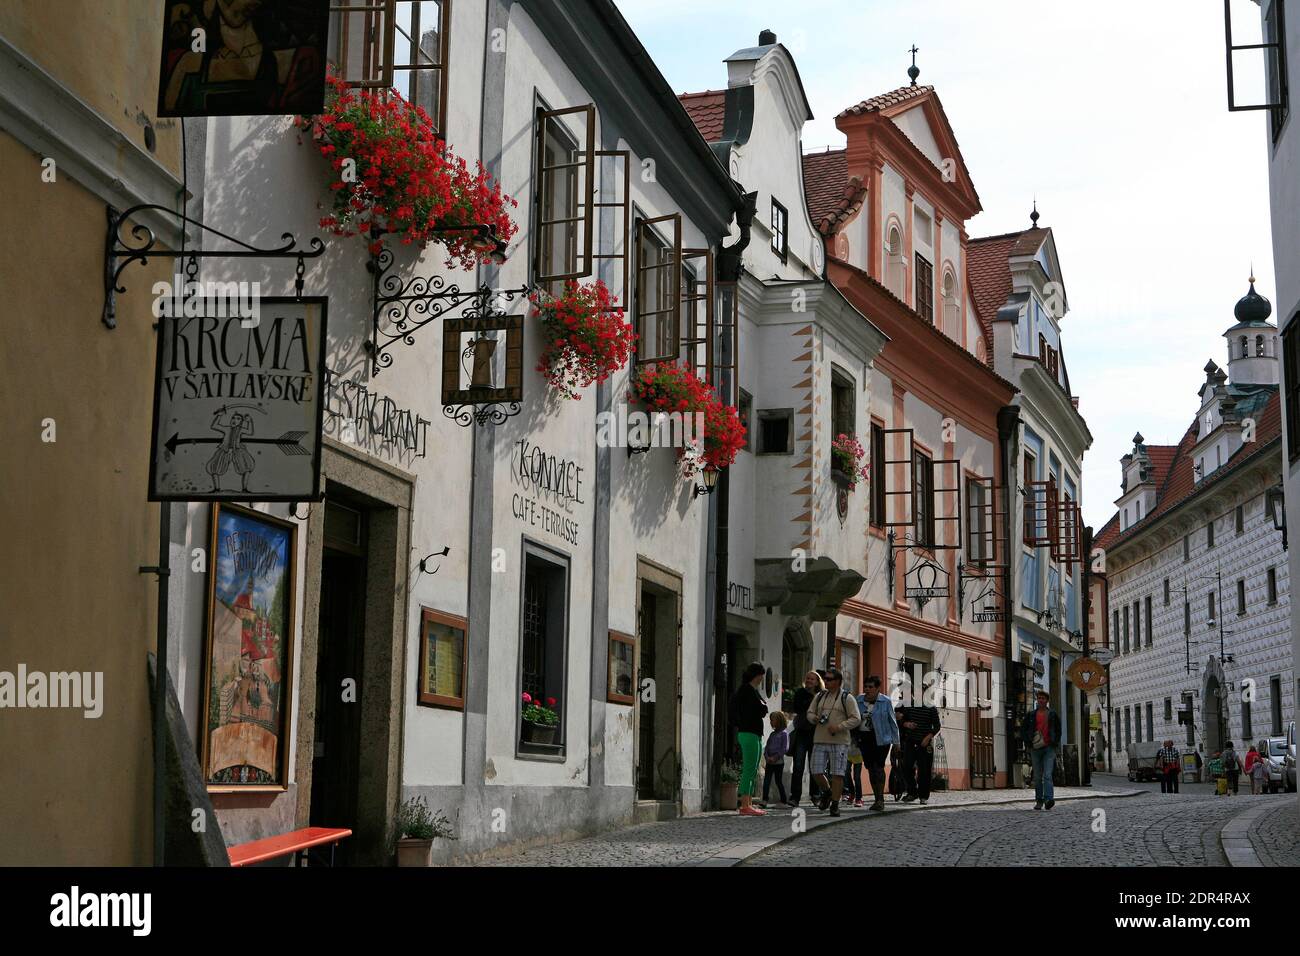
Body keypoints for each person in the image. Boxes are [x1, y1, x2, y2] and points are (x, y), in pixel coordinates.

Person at [806, 668, 860, 816]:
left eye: (829, 679)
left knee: (838, 774)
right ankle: (827, 792)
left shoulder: (847, 698)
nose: (826, 681)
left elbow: (856, 718)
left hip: (840, 741)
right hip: (819, 739)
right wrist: (814, 718)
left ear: (838, 681)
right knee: (816, 771)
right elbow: (809, 713)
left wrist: (839, 727)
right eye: (826, 679)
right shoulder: (820, 695)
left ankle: (835, 804)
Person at [855, 675, 901, 811]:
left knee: (878, 767)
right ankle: (876, 798)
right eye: (866, 687)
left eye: (871, 687)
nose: (867, 689)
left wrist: (896, 742)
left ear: (877, 688)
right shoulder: (858, 700)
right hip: (864, 737)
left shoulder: (885, 701)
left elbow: (892, 722)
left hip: (882, 738)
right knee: (870, 767)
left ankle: (880, 799)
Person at [729, 662, 769, 816]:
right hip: (748, 733)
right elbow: (760, 709)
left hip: (754, 733)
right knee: (748, 769)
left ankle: (749, 803)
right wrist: (762, 707)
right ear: (757, 675)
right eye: (761, 676)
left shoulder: (752, 690)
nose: (762, 679)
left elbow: (762, 708)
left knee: (752, 770)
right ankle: (744, 804)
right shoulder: (746, 690)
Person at [786, 671, 825, 807]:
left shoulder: (822, 695)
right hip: (802, 732)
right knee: (798, 766)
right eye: (807, 678)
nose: (808, 680)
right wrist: (811, 699)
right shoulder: (800, 693)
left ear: (817, 681)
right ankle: (795, 797)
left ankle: (816, 795)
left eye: (811, 679)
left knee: (815, 766)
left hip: (817, 734)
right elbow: (797, 708)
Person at [1019, 689, 1061, 810]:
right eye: (1039, 698)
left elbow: (1058, 730)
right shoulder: (1031, 715)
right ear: (1037, 700)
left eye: (1043, 698)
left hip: (1049, 748)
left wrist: (1055, 742)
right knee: (1037, 776)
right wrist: (1028, 742)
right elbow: (1024, 729)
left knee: (1047, 774)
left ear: (1047, 701)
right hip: (1035, 748)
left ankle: (1049, 799)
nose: (1041, 700)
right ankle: (1039, 800)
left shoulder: (1052, 714)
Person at [898, 695, 942, 805]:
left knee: (924, 771)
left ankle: (923, 796)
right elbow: (901, 720)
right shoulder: (908, 706)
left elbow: (937, 726)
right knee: (906, 767)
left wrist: (928, 737)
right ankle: (912, 792)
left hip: (924, 743)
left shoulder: (931, 707)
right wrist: (907, 724)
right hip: (911, 742)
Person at [760, 711, 790, 807]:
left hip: (778, 762)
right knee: (767, 781)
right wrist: (767, 757)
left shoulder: (784, 734)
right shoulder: (772, 734)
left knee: (778, 781)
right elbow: (767, 747)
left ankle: (784, 800)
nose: (771, 722)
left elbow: (784, 748)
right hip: (770, 762)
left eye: (773, 720)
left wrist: (775, 757)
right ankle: (764, 800)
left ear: (779, 721)